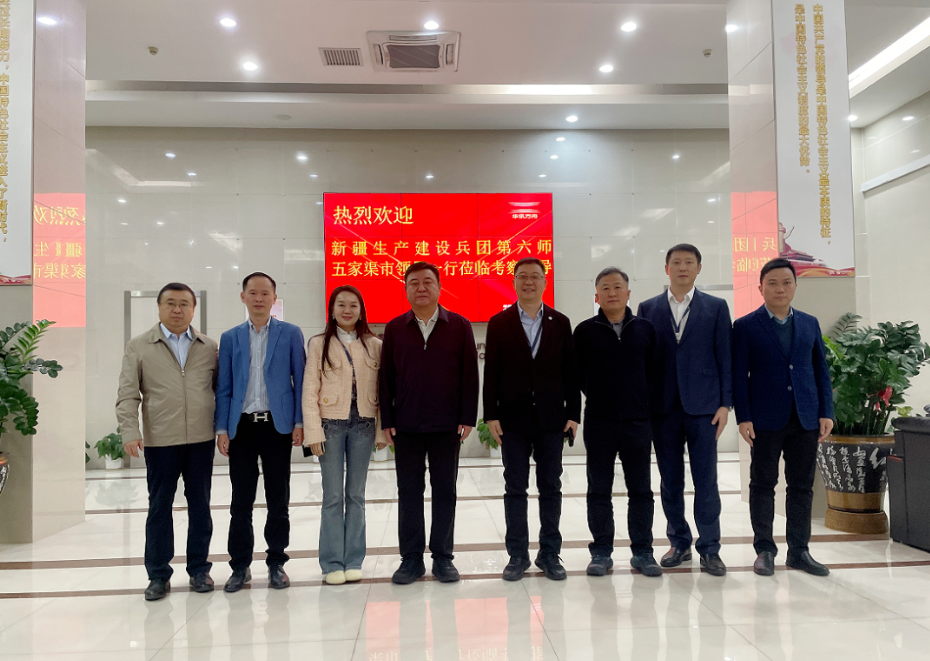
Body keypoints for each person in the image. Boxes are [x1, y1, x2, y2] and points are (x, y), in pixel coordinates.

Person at [115, 282, 218, 601]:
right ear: (159, 307)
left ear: (193, 309)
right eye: (171, 303)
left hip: (201, 439)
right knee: (159, 507)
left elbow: (221, 390)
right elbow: (127, 393)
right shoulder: (139, 346)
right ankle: (158, 574)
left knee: (200, 506)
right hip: (161, 441)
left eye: (184, 304)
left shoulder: (208, 346)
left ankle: (199, 569)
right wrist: (129, 430)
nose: (177, 309)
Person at [733, 258, 835, 577]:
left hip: (805, 417)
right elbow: (739, 376)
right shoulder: (745, 326)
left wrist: (826, 412)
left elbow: (820, 370)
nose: (780, 288)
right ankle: (765, 549)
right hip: (764, 419)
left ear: (795, 286)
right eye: (773, 283)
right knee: (763, 484)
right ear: (761, 288)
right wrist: (743, 416)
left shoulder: (809, 323)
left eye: (787, 282)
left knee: (802, 486)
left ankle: (799, 550)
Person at [379, 261, 479, 585]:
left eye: (427, 282)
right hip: (405, 425)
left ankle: (443, 557)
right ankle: (411, 559)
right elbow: (386, 378)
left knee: (445, 490)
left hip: (446, 425)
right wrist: (387, 419)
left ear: (439, 287)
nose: (421, 288)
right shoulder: (395, 328)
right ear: (406, 289)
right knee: (409, 491)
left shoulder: (459, 325)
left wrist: (467, 417)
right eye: (414, 283)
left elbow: (469, 374)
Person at [636, 244, 732, 576]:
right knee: (670, 480)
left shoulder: (716, 307)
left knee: (707, 480)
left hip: (704, 408)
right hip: (662, 408)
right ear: (667, 268)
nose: (682, 267)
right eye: (676, 262)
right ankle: (679, 542)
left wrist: (725, 404)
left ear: (698, 268)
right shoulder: (648, 308)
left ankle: (710, 548)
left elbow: (725, 357)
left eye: (689, 262)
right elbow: (644, 360)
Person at [483, 257, 580, 581]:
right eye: (522, 276)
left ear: (544, 282)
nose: (529, 282)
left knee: (551, 487)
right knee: (515, 488)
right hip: (513, 420)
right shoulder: (499, 322)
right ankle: (517, 555)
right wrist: (491, 415)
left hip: (552, 420)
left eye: (535, 276)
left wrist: (573, 414)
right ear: (513, 282)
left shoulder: (560, 322)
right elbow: (491, 373)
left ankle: (549, 554)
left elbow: (571, 371)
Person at [215, 272, 306, 592]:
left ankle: (276, 563)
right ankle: (240, 566)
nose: (258, 298)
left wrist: (299, 423)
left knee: (278, 498)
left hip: (276, 426)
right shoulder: (230, 337)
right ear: (243, 297)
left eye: (265, 293)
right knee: (240, 500)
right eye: (252, 293)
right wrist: (222, 427)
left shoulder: (291, 333)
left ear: (274, 298)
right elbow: (224, 386)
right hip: (241, 427)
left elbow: (300, 381)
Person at [573, 267, 662, 577]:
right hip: (599, 422)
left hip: (638, 422)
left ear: (628, 293)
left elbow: (655, 373)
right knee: (599, 490)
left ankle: (643, 552)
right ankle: (601, 552)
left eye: (617, 287)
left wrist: (641, 402)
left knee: (641, 490)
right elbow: (577, 375)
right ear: (597, 296)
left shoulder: (646, 329)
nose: (612, 292)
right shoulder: (584, 331)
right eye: (605, 288)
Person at [303, 285, 383, 585]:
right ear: (332, 310)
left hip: (364, 424)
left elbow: (382, 391)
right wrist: (313, 431)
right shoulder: (318, 344)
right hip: (330, 426)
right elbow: (309, 389)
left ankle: (354, 560)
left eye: (353, 305)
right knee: (333, 496)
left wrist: (380, 431)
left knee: (356, 496)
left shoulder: (374, 345)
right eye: (341, 305)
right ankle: (332, 563)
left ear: (361, 311)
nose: (347, 310)